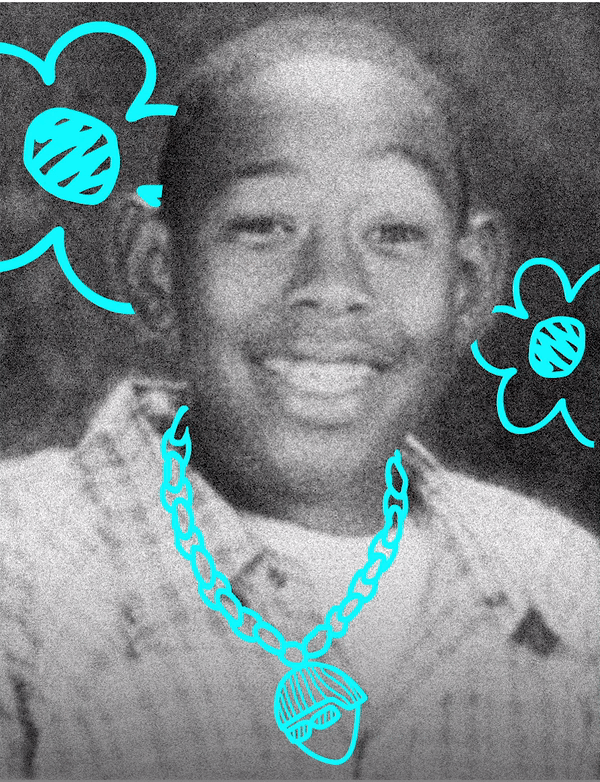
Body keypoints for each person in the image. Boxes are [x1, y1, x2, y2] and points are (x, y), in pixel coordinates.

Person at [1, 15, 598, 779]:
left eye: (393, 234)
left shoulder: (561, 585)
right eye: (264, 226)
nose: (332, 287)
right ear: (157, 271)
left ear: (468, 285)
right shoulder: (24, 572)